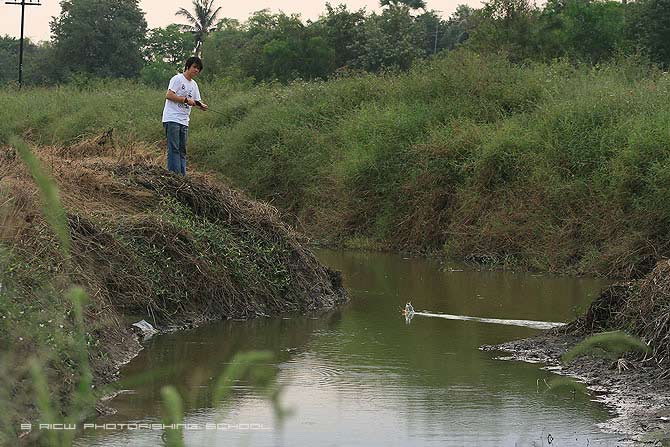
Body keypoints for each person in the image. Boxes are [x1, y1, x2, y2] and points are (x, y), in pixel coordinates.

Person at [161, 56, 208, 175]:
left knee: (182, 150)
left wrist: (201, 105)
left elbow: (195, 101)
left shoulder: (194, 85)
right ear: (188, 66)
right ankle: (174, 175)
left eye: (199, 69)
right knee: (174, 149)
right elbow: (169, 95)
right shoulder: (177, 79)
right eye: (194, 67)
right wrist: (186, 100)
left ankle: (182, 176)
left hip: (184, 120)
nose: (196, 70)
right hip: (172, 118)